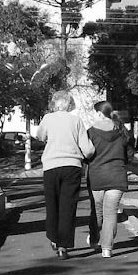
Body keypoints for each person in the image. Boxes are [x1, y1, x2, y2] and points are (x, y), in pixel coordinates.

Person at [36, 90, 95, 260]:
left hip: (51, 166)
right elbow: (88, 149)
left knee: (52, 204)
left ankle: (53, 237)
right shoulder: (76, 120)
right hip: (72, 167)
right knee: (68, 206)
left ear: (54, 104)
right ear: (69, 104)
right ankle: (63, 245)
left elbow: (40, 135)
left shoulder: (47, 118)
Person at [86, 101, 134, 258]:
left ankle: (94, 239)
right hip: (117, 176)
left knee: (97, 211)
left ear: (100, 113)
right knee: (111, 212)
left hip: (97, 177)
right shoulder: (121, 131)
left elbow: (86, 153)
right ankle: (107, 248)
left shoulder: (91, 132)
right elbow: (130, 155)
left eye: (94, 112)